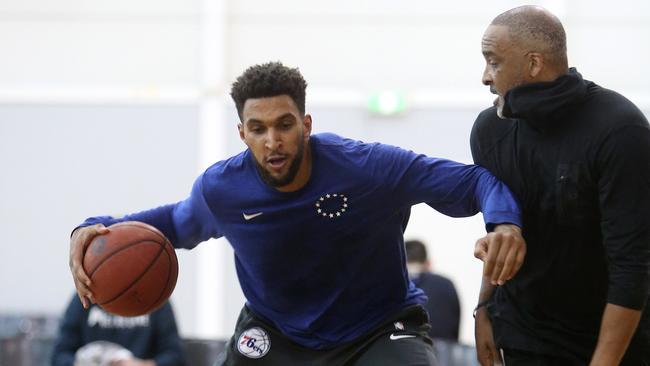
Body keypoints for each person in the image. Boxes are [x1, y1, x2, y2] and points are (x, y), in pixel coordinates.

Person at [69, 61, 526, 366]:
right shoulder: (222, 189)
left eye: (284, 125)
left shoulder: (368, 167)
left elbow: (475, 181)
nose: (273, 140)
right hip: (278, 333)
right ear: (242, 133)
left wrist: (504, 222)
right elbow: (173, 225)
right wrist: (91, 230)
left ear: (306, 125)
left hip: (377, 329)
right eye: (258, 129)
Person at [472, 5, 650, 366]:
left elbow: (632, 263)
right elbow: (501, 235)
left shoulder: (620, 130)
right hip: (526, 333)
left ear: (534, 64)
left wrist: (606, 360)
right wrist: (484, 308)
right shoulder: (490, 130)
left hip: (611, 336)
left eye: (494, 62)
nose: (485, 77)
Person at [50, 295, 186, 366]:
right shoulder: (84, 299)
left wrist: (142, 365)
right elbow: (59, 356)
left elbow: (175, 357)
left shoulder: (156, 299)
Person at [405, 240, 460, 341]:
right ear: (428, 263)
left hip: (407, 350)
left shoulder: (396, 286)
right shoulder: (446, 284)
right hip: (444, 351)